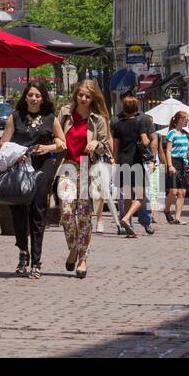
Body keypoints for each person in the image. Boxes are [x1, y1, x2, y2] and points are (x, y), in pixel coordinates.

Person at [0, 79, 64, 279]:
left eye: (37, 95)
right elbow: (4, 142)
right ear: (25, 97)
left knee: (37, 211)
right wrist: (17, 153)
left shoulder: (50, 118)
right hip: (20, 167)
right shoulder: (15, 117)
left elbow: (62, 142)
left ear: (42, 98)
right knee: (18, 211)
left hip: (42, 166)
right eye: (30, 95)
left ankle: (36, 260)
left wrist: (49, 147)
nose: (34, 99)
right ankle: (22, 251)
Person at [55, 79, 112, 278]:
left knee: (84, 216)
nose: (84, 99)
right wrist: (56, 141)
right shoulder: (64, 113)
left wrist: (96, 143)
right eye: (81, 95)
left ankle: (83, 259)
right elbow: (55, 134)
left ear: (93, 97)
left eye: (88, 96)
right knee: (66, 212)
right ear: (76, 94)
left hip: (88, 168)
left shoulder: (99, 119)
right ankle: (74, 247)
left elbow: (106, 146)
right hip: (67, 166)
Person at [111, 95, 152, 237]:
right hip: (135, 161)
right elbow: (145, 141)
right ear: (136, 108)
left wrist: (115, 162)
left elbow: (115, 147)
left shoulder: (118, 124)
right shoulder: (139, 122)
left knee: (128, 195)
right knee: (141, 196)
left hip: (122, 161)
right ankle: (126, 217)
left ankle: (129, 227)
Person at [163, 110, 189, 224]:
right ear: (179, 119)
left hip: (184, 163)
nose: (187, 120)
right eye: (185, 118)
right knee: (173, 190)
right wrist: (170, 165)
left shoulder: (186, 134)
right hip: (174, 161)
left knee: (182, 192)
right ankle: (166, 209)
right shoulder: (172, 133)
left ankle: (177, 217)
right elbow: (168, 150)